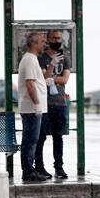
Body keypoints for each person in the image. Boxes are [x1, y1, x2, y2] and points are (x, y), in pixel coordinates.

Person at [35, 29, 70, 179]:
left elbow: (64, 79)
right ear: (48, 39)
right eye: (54, 38)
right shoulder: (41, 58)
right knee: (41, 136)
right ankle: (39, 166)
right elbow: (43, 77)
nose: (57, 41)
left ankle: (59, 167)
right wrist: (49, 76)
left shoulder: (65, 58)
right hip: (44, 102)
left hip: (59, 102)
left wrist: (51, 79)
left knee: (58, 136)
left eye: (59, 38)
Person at [18, 32, 48, 182]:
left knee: (33, 140)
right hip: (31, 108)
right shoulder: (30, 60)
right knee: (30, 140)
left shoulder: (32, 59)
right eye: (42, 41)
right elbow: (30, 83)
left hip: (33, 108)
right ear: (34, 43)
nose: (45, 44)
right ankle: (28, 171)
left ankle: (31, 169)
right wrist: (37, 104)